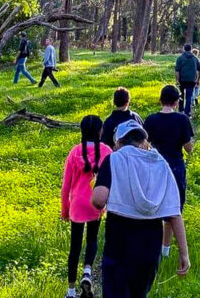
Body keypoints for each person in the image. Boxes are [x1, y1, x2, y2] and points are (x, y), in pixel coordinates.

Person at [91, 120, 190, 298]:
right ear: (143, 141)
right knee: (140, 292)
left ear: (119, 142)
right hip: (150, 241)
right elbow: (174, 213)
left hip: (119, 239)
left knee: (116, 291)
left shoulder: (114, 159)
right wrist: (184, 254)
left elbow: (98, 200)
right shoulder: (160, 163)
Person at [62, 115, 113, 298]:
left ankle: (70, 290)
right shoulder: (107, 151)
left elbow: (66, 186)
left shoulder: (74, 152)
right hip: (96, 203)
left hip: (76, 204)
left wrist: (64, 210)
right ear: (100, 131)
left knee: (74, 246)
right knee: (92, 239)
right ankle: (87, 271)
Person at [143, 85, 194, 258]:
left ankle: (151, 246)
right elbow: (188, 148)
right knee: (173, 208)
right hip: (175, 167)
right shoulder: (182, 120)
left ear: (160, 100)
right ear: (176, 101)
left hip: (154, 168)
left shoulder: (150, 120)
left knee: (152, 206)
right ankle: (165, 250)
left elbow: (144, 146)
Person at [175, 44, 200, 117]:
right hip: (192, 80)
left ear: (184, 49)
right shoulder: (195, 59)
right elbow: (199, 70)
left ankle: (180, 110)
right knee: (189, 96)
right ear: (191, 49)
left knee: (181, 94)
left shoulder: (180, 58)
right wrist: (197, 79)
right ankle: (187, 113)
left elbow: (177, 70)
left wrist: (177, 80)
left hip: (182, 80)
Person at [191, 48, 200, 113]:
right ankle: (196, 97)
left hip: (192, 76)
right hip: (198, 76)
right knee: (197, 87)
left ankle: (192, 101)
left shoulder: (191, 60)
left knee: (192, 89)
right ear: (197, 54)